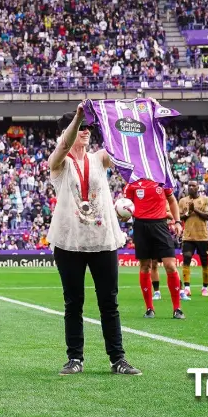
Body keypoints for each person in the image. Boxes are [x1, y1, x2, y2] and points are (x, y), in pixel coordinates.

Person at [47, 104, 141, 376]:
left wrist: (126, 122)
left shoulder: (99, 157)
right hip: (69, 241)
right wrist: (77, 117)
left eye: (89, 127)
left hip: (102, 239)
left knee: (109, 302)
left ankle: (118, 358)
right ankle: (75, 358)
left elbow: (123, 154)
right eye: (81, 128)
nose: (86, 131)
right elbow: (62, 149)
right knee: (73, 302)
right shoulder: (60, 162)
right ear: (67, 130)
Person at [123, 178, 184, 320]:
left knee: (170, 265)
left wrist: (178, 222)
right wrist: (124, 215)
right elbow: (126, 205)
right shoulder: (132, 182)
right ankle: (149, 308)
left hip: (160, 225)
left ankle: (177, 308)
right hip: (141, 226)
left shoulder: (162, 179)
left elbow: (172, 200)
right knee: (145, 266)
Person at [178, 182, 208, 297]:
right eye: (189, 186)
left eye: (193, 186)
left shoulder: (206, 200)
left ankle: (205, 288)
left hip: (202, 236)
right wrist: (188, 212)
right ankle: (187, 287)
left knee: (205, 263)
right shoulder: (183, 201)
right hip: (188, 236)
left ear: (198, 188)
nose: (191, 188)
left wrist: (195, 210)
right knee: (186, 260)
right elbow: (179, 217)